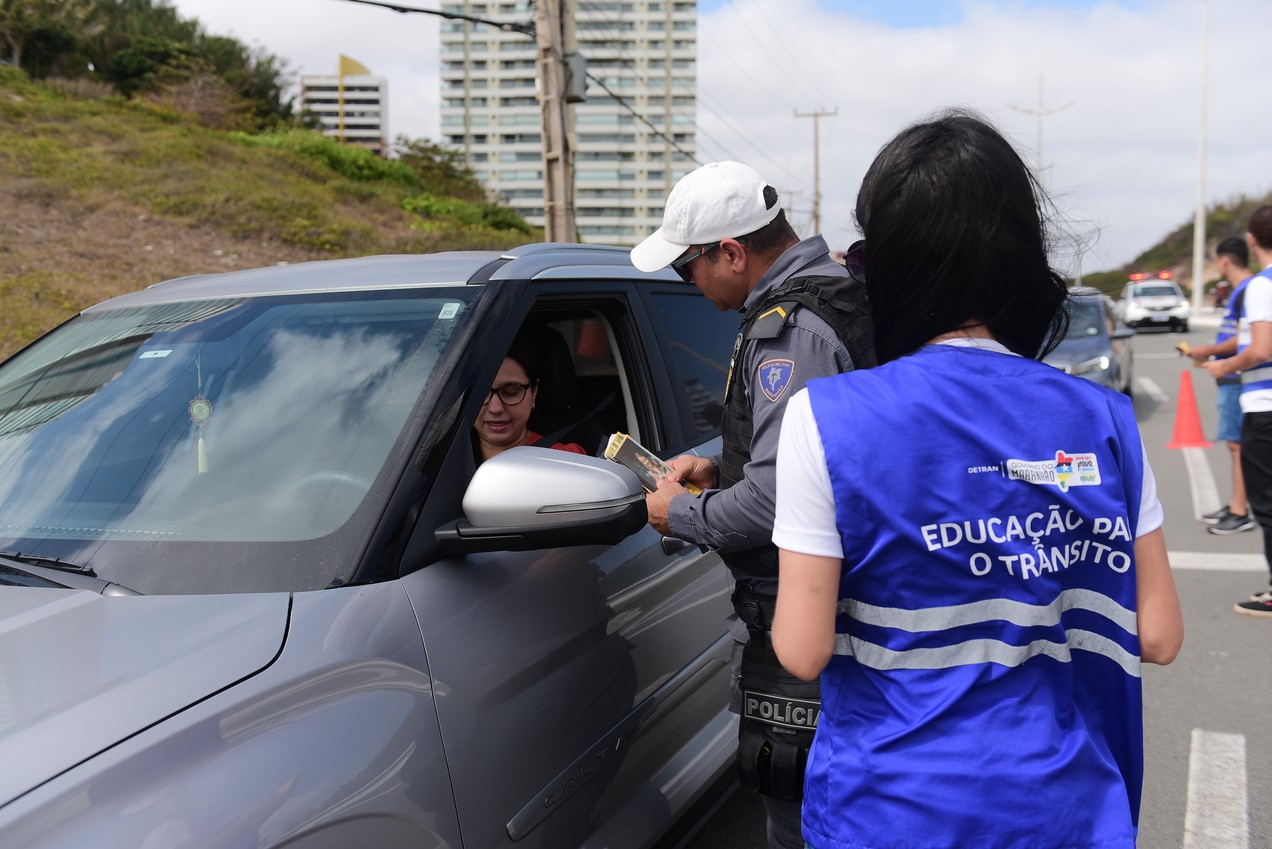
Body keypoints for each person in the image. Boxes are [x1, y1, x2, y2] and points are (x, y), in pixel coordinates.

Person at [770, 110, 1183, 849]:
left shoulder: (825, 416)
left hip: (888, 809)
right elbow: (1157, 635)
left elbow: (802, 651)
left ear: (887, 261)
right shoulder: (1105, 418)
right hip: (1066, 810)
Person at [629, 160, 875, 849]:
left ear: (731, 252)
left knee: (797, 811)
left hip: (803, 607)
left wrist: (675, 513)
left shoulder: (791, 331)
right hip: (850, 596)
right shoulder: (838, 293)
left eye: (687, 269)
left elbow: (773, 500)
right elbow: (815, 448)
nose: (690, 284)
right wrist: (715, 464)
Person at [1202, 205, 1272, 617]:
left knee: (1267, 504)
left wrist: (1223, 365)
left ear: (1251, 240)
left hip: (1265, 405)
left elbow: (1261, 349)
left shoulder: (1263, 286)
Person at [1186, 236, 1256, 534]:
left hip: (1237, 377)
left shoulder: (1249, 290)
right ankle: (1236, 502)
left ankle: (1240, 510)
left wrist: (1211, 352)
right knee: (1236, 444)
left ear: (1225, 261)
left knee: (1237, 445)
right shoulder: (1247, 290)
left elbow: (1249, 338)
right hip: (1235, 376)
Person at [473, 332, 587, 462]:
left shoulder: (564, 461)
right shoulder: (448, 455)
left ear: (534, 391)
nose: (495, 408)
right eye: (481, 393)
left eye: (511, 391)